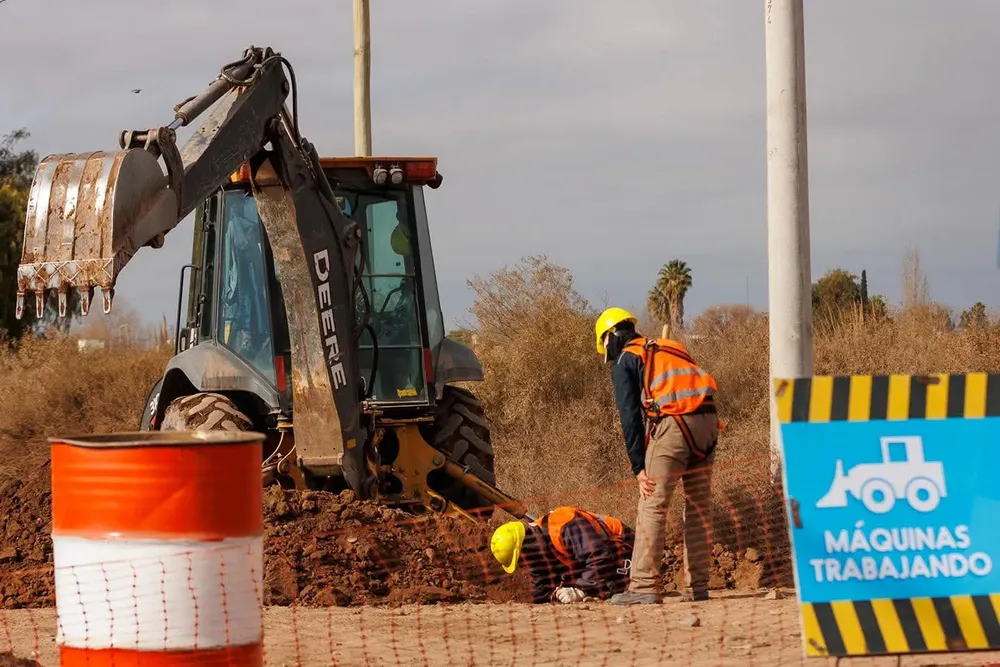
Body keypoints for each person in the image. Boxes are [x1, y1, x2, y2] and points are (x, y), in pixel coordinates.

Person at [594, 307, 720, 605]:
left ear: (611, 336)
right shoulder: (671, 347)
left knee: (652, 504)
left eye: (606, 347)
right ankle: (697, 586)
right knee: (698, 507)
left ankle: (643, 586)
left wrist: (638, 467)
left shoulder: (627, 358)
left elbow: (629, 417)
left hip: (675, 426)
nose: (609, 356)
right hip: (708, 423)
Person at [490, 506, 635, 604]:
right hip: (598, 556)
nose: (525, 564)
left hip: (626, 548)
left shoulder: (565, 524)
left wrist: (581, 590)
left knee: (610, 591)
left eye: (522, 560)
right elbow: (541, 583)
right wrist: (543, 600)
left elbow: (599, 555)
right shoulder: (538, 544)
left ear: (526, 546)